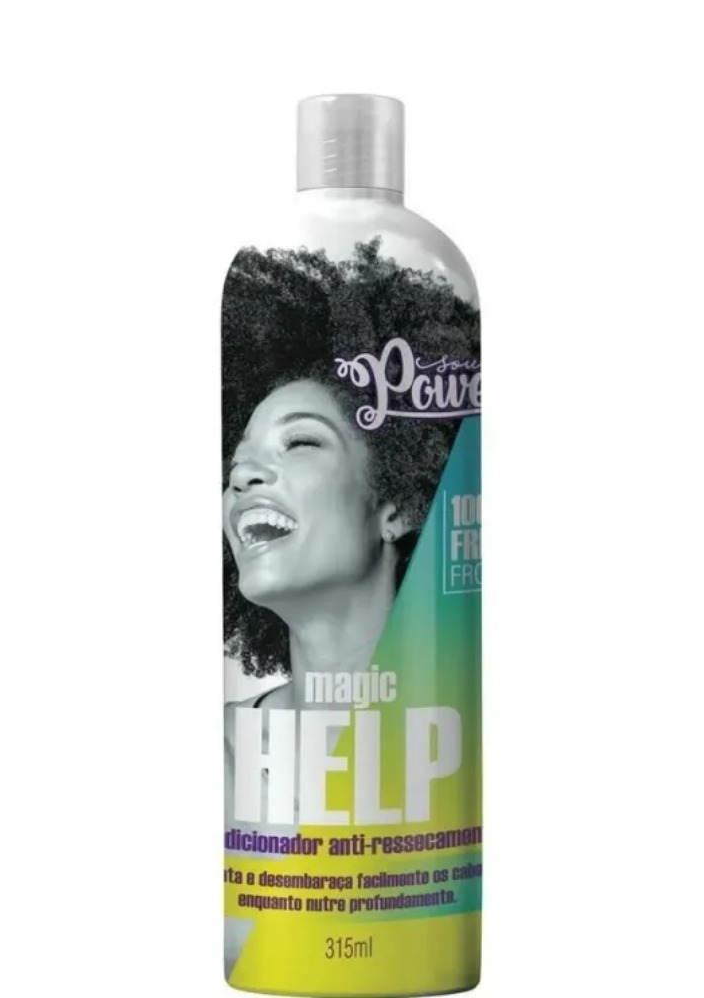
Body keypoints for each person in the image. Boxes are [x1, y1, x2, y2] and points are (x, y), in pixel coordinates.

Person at [221, 240, 479, 972]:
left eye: (300, 442)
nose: (243, 476)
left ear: (396, 503)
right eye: (236, 461)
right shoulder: (223, 751)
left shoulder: (455, 722)